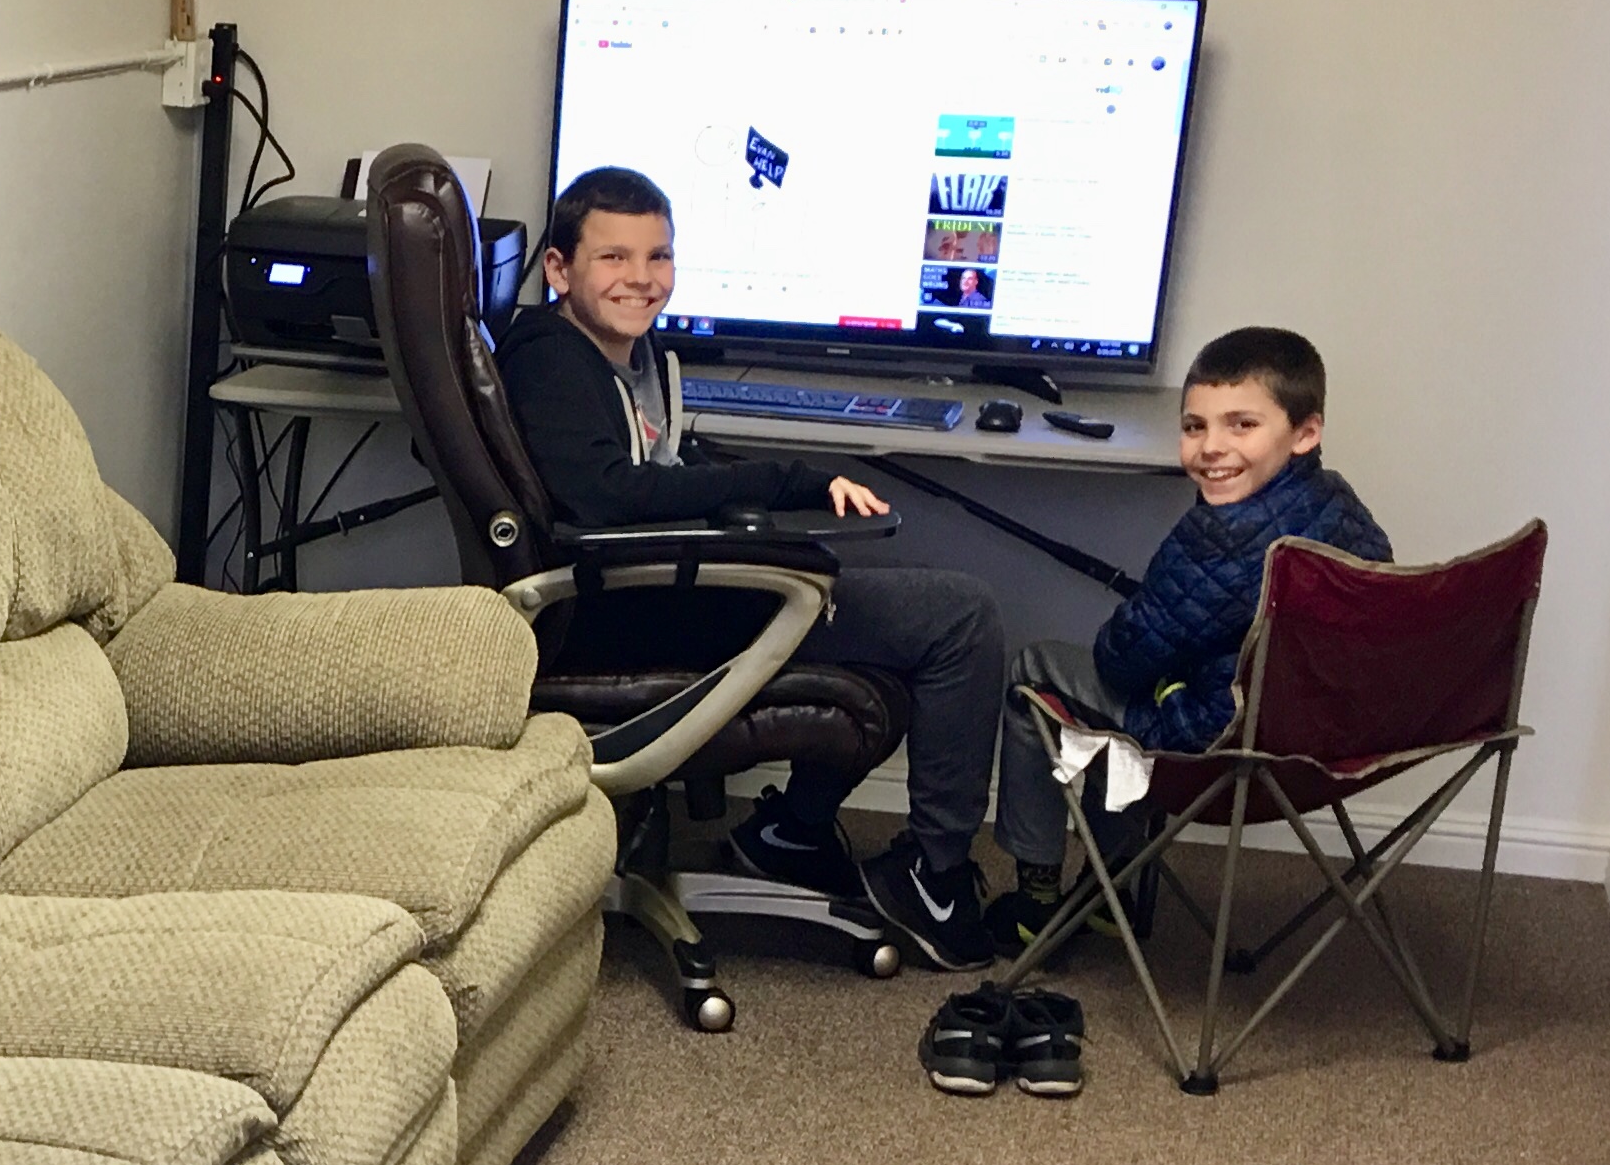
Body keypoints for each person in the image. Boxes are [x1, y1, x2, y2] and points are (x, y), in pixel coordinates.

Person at [491, 165, 1011, 970]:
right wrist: (779, 481)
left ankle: (794, 834)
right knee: (960, 617)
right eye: (613, 258)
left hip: (663, 587)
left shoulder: (624, 355)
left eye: (658, 256)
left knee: (854, 591)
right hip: (629, 608)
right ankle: (932, 882)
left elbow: (661, 461)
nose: (641, 278)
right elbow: (603, 495)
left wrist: (797, 483)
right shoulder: (552, 363)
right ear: (558, 269)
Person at [983, 325, 1392, 955]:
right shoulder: (1338, 501)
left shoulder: (1216, 534)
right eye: (1194, 427)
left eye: (1241, 425)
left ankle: (1039, 903)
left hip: (1217, 745)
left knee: (1036, 670)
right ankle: (1109, 891)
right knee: (1157, 671)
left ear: (1305, 432)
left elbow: (1119, 660)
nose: (1211, 448)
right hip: (1327, 741)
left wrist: (1160, 651)